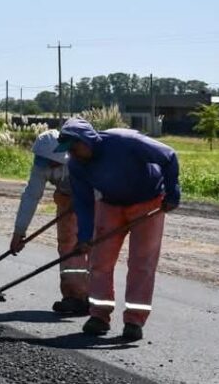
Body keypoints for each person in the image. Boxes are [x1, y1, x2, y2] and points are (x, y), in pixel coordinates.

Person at [57, 117, 180, 342]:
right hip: (110, 204)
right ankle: (99, 316)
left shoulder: (125, 141)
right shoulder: (76, 164)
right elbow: (84, 203)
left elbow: (169, 156)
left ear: (87, 140)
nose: (72, 154)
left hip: (148, 201)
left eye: (74, 148)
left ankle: (134, 320)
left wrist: (173, 192)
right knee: (99, 261)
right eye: (68, 150)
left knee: (141, 263)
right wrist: (84, 237)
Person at [9, 129, 89, 315]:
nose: (46, 164)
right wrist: (19, 232)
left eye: (50, 161)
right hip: (66, 199)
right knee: (68, 246)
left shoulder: (79, 158)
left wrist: (84, 203)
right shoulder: (41, 165)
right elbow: (31, 196)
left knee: (93, 245)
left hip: (93, 201)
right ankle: (74, 296)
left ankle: (95, 299)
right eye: (42, 160)